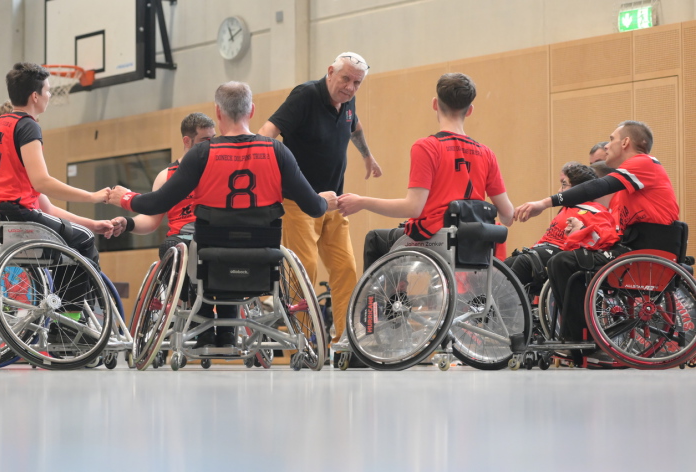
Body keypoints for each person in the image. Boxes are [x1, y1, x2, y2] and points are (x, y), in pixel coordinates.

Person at [107, 81, 336, 348]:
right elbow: (313, 207)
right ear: (251, 110)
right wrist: (324, 201)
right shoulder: (277, 151)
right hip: (262, 256)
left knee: (198, 250)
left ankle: (204, 327)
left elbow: (157, 202)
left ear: (218, 112)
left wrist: (125, 198)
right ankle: (228, 332)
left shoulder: (202, 154)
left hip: (210, 257)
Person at [514, 120, 679, 355]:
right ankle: (577, 338)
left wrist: (544, 203)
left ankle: (583, 340)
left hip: (645, 252)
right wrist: (584, 228)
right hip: (631, 249)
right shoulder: (626, 191)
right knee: (564, 260)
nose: (607, 145)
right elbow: (611, 231)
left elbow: (596, 187)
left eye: (611, 139)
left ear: (625, 142)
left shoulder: (644, 163)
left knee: (563, 262)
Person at [257, 52, 382, 343]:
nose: (350, 87)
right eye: (346, 79)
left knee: (346, 269)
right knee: (304, 272)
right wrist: (260, 169)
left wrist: (367, 156)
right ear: (330, 72)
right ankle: (303, 343)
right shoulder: (305, 96)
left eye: (357, 83)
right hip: (300, 203)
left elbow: (355, 127)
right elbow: (266, 133)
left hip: (335, 203)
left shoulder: (347, 100)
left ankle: (347, 340)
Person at [338, 72, 514, 271]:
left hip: (437, 239)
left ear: (435, 104)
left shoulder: (428, 147)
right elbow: (507, 214)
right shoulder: (486, 153)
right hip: (473, 241)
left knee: (375, 239)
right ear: (470, 110)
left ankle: (395, 292)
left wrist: (362, 202)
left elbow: (413, 208)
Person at [0, 62, 114, 261]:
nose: (50, 95)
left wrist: (93, 222)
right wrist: (92, 196)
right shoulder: (27, 125)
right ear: (35, 96)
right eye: (47, 90)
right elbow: (42, 182)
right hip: (14, 214)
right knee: (84, 238)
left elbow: (47, 207)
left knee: (62, 247)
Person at [108, 112, 216, 253]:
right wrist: (128, 223)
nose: (211, 145)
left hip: (212, 239)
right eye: (205, 140)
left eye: (213, 139)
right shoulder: (166, 176)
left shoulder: (218, 170)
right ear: (187, 141)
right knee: (170, 247)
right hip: (181, 242)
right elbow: (151, 219)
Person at [504, 162, 617, 294]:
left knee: (525, 261)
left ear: (578, 188)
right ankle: (492, 301)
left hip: (564, 257)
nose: (559, 191)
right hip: (546, 251)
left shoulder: (594, 210)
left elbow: (606, 240)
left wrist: (581, 230)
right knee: (506, 265)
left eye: (564, 184)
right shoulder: (566, 209)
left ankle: (504, 301)